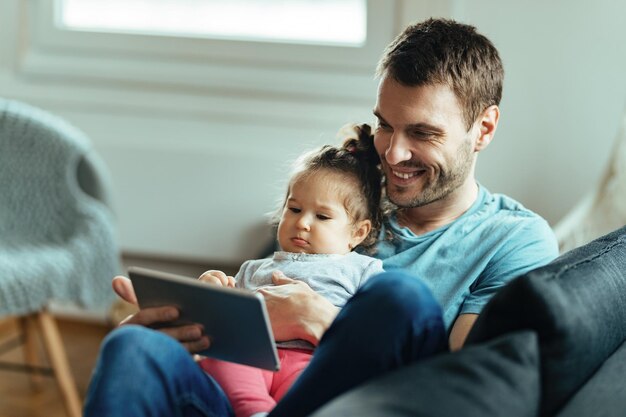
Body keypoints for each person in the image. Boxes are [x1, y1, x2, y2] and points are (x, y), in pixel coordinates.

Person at [83, 18, 558, 417]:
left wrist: (321, 321)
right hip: (254, 395)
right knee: (132, 349)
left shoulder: (513, 240)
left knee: (400, 297)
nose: (394, 153)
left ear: (484, 128)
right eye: (386, 125)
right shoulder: (344, 199)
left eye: (422, 133)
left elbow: (467, 388)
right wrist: (182, 321)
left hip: (361, 403)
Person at [196, 125, 387, 417]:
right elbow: (227, 317)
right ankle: (254, 411)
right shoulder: (254, 268)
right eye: (294, 209)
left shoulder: (362, 270)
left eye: (322, 216)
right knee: (220, 359)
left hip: (311, 360)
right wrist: (213, 289)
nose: (303, 223)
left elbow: (373, 329)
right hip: (253, 355)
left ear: (358, 233)